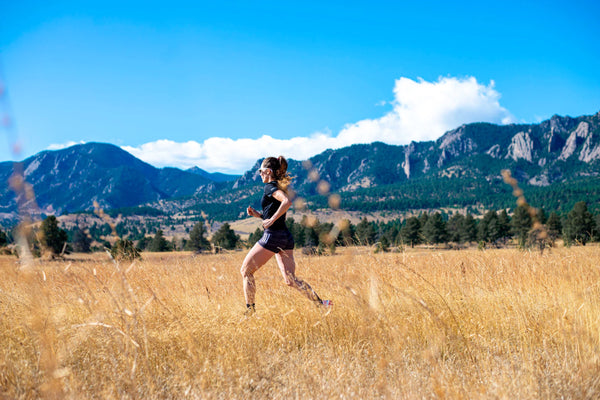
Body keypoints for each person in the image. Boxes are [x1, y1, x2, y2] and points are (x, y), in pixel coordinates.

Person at [241, 156, 325, 313]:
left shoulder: (270, 187)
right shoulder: (276, 186)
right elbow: (277, 210)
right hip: (285, 237)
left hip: (272, 236)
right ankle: (321, 305)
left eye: (260, 171)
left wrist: (271, 220)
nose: (259, 174)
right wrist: (259, 215)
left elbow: (286, 202)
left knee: (246, 271)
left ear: (267, 171)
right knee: (291, 280)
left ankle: (250, 312)